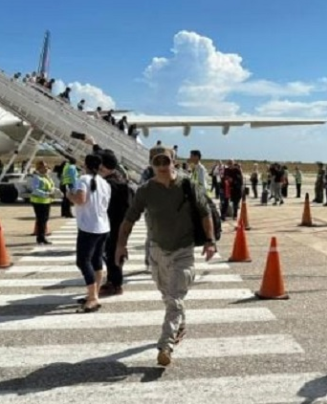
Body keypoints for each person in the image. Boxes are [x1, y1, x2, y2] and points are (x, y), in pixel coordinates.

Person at [115, 147, 218, 367]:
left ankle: (166, 345)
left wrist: (210, 241)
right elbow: (129, 219)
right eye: (157, 162)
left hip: (183, 251)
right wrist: (120, 246)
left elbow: (205, 213)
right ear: (151, 164)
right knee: (168, 296)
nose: (162, 166)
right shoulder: (145, 190)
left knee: (174, 299)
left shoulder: (188, 186)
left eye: (165, 161)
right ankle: (180, 325)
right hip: (157, 251)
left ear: (173, 162)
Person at [66, 154, 111, 313]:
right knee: (97, 261)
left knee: (83, 261)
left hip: (88, 227)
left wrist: (69, 195)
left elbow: (80, 199)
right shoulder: (105, 183)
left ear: (85, 164)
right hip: (103, 226)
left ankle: (92, 298)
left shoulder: (83, 180)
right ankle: (94, 293)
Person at [97, 150, 132, 297]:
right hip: (119, 223)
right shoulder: (118, 177)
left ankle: (115, 284)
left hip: (113, 223)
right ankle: (114, 281)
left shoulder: (109, 183)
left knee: (111, 254)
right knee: (112, 253)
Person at [29, 160, 54, 245]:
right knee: (41, 220)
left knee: (45, 219)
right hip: (38, 202)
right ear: (39, 168)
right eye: (44, 167)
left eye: (47, 167)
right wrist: (46, 194)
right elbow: (35, 190)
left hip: (47, 201)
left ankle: (42, 237)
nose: (46, 168)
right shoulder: (36, 177)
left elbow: (52, 186)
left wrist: (53, 191)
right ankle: (41, 238)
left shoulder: (47, 177)